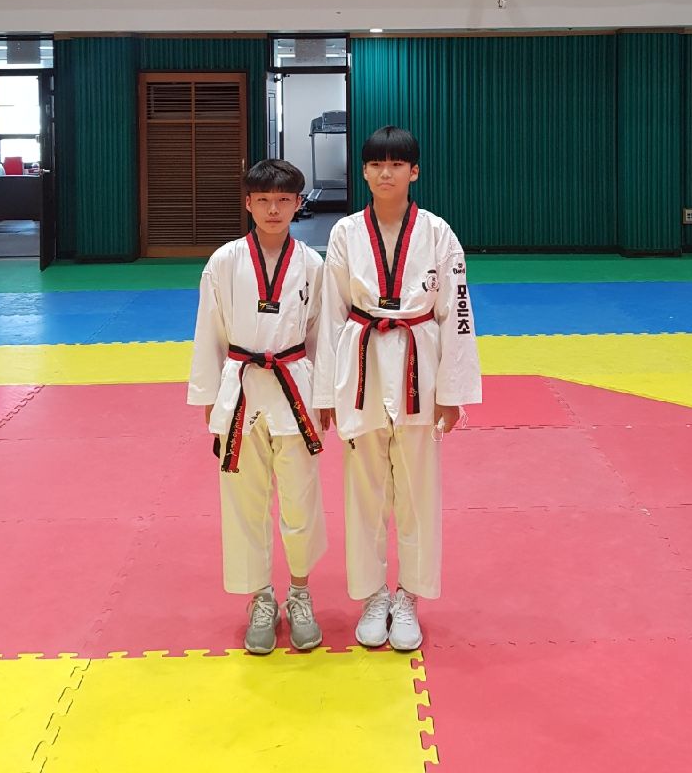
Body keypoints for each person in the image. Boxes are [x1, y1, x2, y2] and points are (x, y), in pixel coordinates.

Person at [314, 126, 482, 652]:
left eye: (397, 164)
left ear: (415, 172)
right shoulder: (345, 233)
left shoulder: (438, 233)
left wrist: (452, 390)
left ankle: (408, 596)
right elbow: (330, 315)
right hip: (361, 365)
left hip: (419, 365)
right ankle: (372, 597)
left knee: (417, 490)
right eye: (376, 164)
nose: (386, 173)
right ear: (364, 172)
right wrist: (325, 395)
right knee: (363, 490)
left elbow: (457, 313)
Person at [187, 158, 326, 655]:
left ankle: (301, 593)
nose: (273, 210)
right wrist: (209, 397)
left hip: (295, 388)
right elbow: (208, 331)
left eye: (283, 200)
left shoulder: (312, 264)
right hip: (241, 389)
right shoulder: (224, 262)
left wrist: (326, 398)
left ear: (297, 204)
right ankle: (260, 597)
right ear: (247, 203)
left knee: (300, 499)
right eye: (263, 200)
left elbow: (322, 335)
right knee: (244, 502)